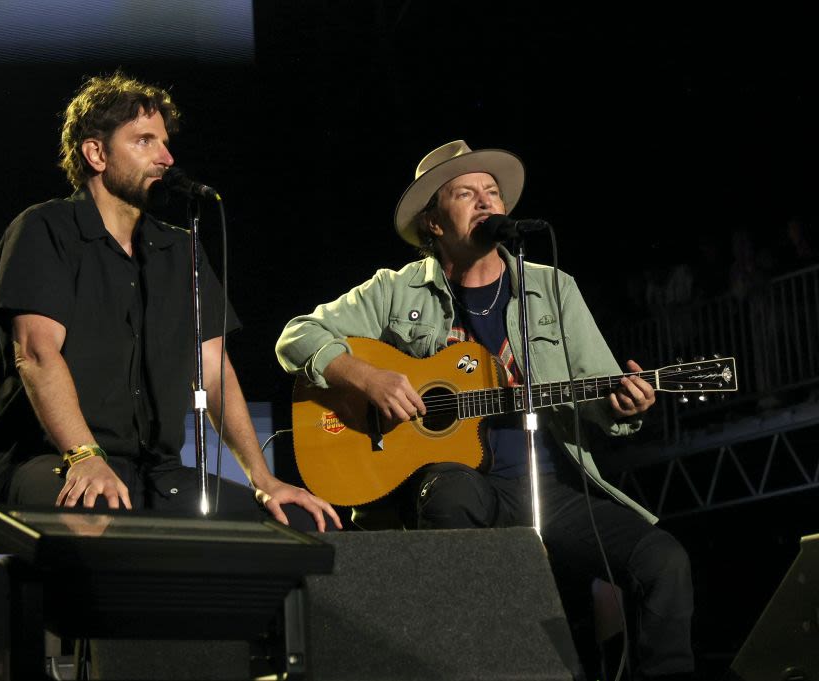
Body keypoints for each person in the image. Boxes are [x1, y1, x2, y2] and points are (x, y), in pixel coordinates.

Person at [275, 141, 693, 678]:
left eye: (492, 192)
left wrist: (626, 406)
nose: (485, 201)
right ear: (433, 222)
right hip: (457, 485)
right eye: (466, 193)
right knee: (451, 496)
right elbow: (296, 337)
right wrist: (367, 376)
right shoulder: (396, 290)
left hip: (551, 489)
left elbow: (599, 394)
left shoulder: (552, 288)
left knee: (664, 562)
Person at [0, 73, 339, 532]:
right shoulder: (46, 230)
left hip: (155, 474)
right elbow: (37, 353)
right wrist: (86, 456)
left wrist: (263, 479)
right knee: (96, 511)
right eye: (144, 141)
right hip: (53, 459)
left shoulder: (180, 249)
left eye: (164, 142)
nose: (166, 158)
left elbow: (215, 369)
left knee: (297, 523)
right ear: (96, 153)